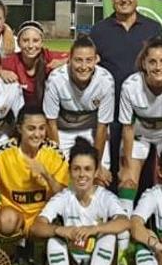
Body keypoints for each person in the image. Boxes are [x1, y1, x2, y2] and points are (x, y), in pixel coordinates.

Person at [31, 137, 129, 265]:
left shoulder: (105, 197)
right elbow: (36, 227)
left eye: (87, 169)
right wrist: (60, 230)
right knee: (54, 238)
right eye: (76, 169)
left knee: (109, 235)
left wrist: (95, 229)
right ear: (70, 171)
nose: (82, 174)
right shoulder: (64, 197)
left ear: (96, 172)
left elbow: (125, 222)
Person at [89, 0, 162, 189]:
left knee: (144, 172)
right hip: (111, 114)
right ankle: (116, 215)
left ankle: (143, 216)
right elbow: (86, 62)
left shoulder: (153, 28)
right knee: (113, 171)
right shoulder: (99, 31)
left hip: (145, 113)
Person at [117, 37, 162, 216]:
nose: (158, 67)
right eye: (152, 62)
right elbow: (127, 128)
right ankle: (124, 230)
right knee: (128, 180)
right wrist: (126, 165)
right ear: (144, 63)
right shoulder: (130, 86)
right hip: (139, 134)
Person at [0, 106, 69, 243]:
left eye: (42, 128)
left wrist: (46, 175)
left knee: (59, 222)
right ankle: (13, 248)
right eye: (31, 128)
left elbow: (64, 195)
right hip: (15, 214)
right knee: (7, 220)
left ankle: (39, 253)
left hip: (44, 214)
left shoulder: (54, 153)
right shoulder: (3, 154)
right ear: (20, 129)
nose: (37, 134)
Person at [43, 35, 114, 184]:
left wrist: (97, 165)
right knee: (55, 177)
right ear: (69, 59)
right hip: (62, 131)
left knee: (100, 178)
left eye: (89, 60)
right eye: (78, 60)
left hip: (92, 129)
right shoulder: (56, 79)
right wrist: (57, 159)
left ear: (96, 60)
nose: (83, 66)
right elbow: (51, 122)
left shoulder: (106, 81)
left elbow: (102, 126)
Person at [0, 20, 66, 108]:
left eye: (35, 41)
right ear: (19, 43)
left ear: (42, 43)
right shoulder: (11, 61)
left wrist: (63, 61)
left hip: (46, 111)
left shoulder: (48, 56)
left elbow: (81, 56)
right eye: (25, 40)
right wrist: (0, 72)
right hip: (20, 112)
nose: (30, 46)